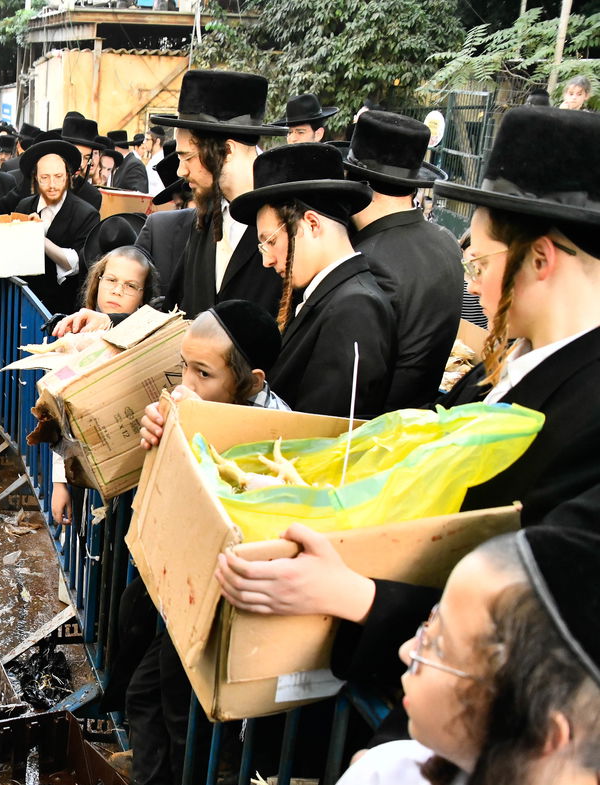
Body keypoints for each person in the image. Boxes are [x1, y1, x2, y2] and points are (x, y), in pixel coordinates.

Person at [213, 106, 600, 705]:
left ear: (541, 260)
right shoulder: (492, 381)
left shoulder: (588, 414)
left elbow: (542, 610)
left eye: (478, 263)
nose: (469, 285)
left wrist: (357, 596)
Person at [255, 527, 600, 785]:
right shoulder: (387, 777)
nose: (406, 651)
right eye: (427, 625)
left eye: (438, 647)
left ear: (541, 732)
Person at [95, 299, 286, 785]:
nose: (188, 385)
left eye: (205, 374)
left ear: (251, 381)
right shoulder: (195, 409)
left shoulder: (274, 432)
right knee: (147, 691)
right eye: (183, 369)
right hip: (182, 593)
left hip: (225, 602)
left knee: (183, 714)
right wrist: (161, 434)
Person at [229, 142, 394, 419]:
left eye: (270, 241)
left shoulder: (356, 308)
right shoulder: (329, 295)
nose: (266, 260)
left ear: (312, 224)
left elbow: (325, 433)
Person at [344, 110, 463, 409]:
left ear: (355, 181)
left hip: (375, 432)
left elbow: (357, 378)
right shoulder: (446, 241)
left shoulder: (368, 260)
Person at [151, 70, 288, 322]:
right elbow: (174, 309)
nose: (181, 171)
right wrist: (111, 322)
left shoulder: (288, 216)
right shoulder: (205, 215)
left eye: (187, 157)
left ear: (227, 150)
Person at [47, 240, 156, 524]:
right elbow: (61, 415)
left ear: (144, 296)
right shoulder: (76, 339)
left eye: (131, 286)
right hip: (84, 472)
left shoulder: (150, 342)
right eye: (111, 280)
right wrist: (60, 482)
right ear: (98, 280)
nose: (118, 290)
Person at [14, 138, 101, 318]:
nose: (52, 185)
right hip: (24, 306)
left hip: (62, 312)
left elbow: (76, 263)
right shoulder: (24, 206)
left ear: (68, 177)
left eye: (58, 177)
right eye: (45, 178)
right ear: (36, 178)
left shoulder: (86, 214)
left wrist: (38, 236)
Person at [60, 115, 105, 210]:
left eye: (86, 158)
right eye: (76, 155)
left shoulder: (92, 196)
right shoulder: (37, 183)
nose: (81, 164)